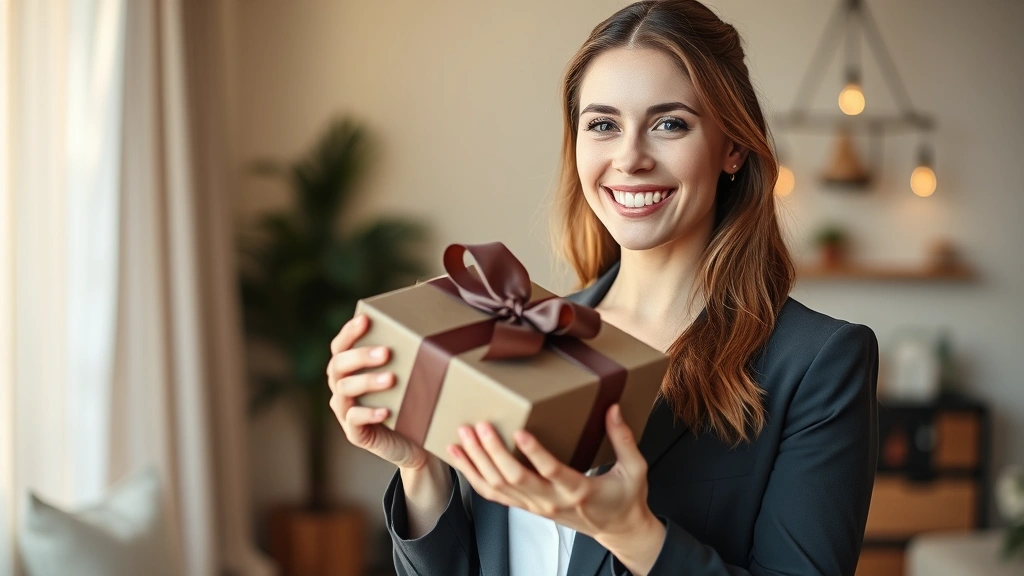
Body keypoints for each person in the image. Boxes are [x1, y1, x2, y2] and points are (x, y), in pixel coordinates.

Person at [326, 1, 878, 574]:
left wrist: (633, 533)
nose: (630, 158)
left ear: (733, 147)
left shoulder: (817, 362)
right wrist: (421, 466)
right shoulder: (523, 331)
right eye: (603, 124)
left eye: (670, 124)